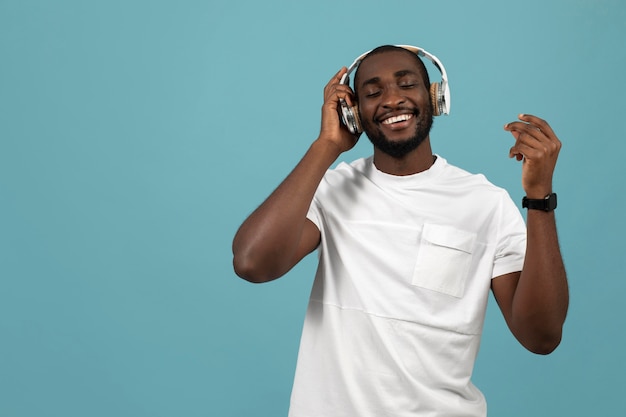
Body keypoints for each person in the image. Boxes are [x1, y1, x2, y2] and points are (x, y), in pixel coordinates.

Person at [232, 45, 569, 417]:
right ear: (353, 112)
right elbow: (252, 263)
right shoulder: (329, 190)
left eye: (407, 84)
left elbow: (542, 337)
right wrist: (326, 146)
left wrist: (539, 199)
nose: (392, 99)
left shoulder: (486, 203)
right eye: (373, 93)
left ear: (435, 97)